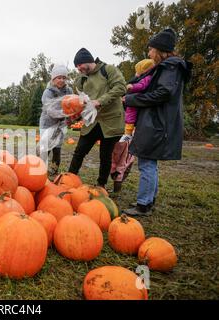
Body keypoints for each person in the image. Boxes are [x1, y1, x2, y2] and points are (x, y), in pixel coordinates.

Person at [123, 28, 192, 216]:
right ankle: (148, 200)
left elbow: (163, 93)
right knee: (149, 163)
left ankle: (143, 204)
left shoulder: (170, 67)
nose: (149, 53)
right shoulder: (167, 67)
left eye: (151, 49)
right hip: (155, 122)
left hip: (156, 124)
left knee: (146, 163)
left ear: (160, 50)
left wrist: (131, 100)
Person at [68, 48, 127, 189]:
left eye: (79, 65)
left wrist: (99, 101)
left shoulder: (109, 70)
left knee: (105, 156)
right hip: (91, 122)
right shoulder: (80, 80)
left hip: (110, 121)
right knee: (79, 151)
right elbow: (79, 102)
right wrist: (74, 116)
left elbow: (121, 87)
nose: (78, 69)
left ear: (87, 61)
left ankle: (101, 185)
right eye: (76, 67)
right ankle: (69, 179)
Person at [110, 59, 155, 193]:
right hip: (127, 123)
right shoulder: (139, 80)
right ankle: (117, 174)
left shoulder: (146, 80)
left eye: (137, 71)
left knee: (123, 154)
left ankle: (118, 178)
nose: (135, 73)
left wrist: (130, 91)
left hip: (133, 124)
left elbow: (137, 87)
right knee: (119, 154)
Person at [39, 64, 73, 178]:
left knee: (57, 148)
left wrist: (72, 115)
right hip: (47, 124)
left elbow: (72, 104)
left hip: (61, 124)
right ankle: (41, 169)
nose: (61, 80)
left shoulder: (69, 91)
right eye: (59, 77)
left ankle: (54, 171)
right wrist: (66, 114)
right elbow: (50, 110)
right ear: (53, 78)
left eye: (64, 78)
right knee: (46, 148)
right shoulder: (48, 92)